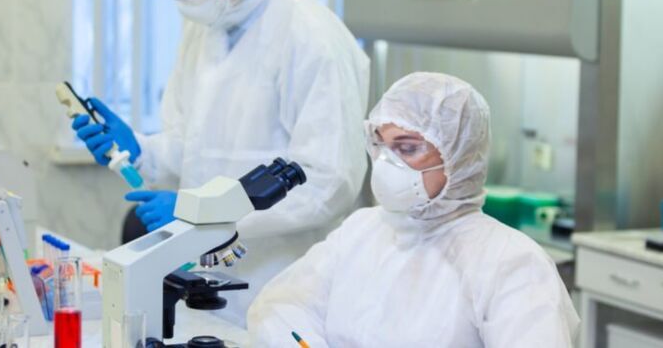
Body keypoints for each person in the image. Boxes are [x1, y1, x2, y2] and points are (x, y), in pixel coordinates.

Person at [71, 0, 369, 324]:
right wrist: (139, 151)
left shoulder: (311, 36)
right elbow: (190, 145)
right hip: (204, 280)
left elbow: (329, 182)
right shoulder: (205, 28)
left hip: (281, 283)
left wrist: (205, 214)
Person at [247, 72, 580, 347]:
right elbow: (282, 307)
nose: (386, 163)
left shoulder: (511, 262)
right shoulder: (361, 230)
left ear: (459, 155)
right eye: (381, 145)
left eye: (407, 148)